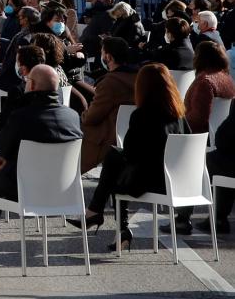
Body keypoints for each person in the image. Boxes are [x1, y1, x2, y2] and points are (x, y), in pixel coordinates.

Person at [0, 65, 81, 254]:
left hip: (26, 189)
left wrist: (4, 157)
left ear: (32, 85)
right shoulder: (72, 117)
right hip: (62, 189)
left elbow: (2, 146)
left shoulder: (22, 116)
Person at [72, 62, 190, 249]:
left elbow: (131, 152)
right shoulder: (180, 116)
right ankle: (103, 218)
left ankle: (101, 216)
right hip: (180, 179)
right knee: (115, 161)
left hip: (155, 181)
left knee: (114, 162)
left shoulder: (143, 115)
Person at [81, 37, 141, 172]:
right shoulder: (139, 78)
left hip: (109, 139)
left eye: (102, 52)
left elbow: (92, 117)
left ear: (108, 57)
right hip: (133, 137)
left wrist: (83, 113)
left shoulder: (110, 83)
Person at [186, 40, 235, 132]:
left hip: (198, 136)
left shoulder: (205, 83)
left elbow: (198, 118)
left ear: (199, 58)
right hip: (217, 132)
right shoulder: (228, 79)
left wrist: (178, 123)